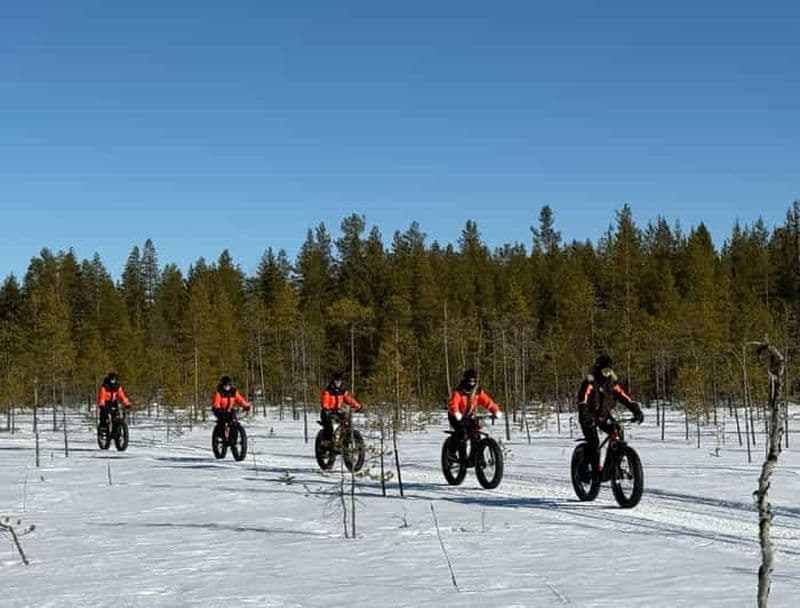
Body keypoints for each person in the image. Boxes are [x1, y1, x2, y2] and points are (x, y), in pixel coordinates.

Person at [577, 354, 643, 473]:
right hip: (588, 415)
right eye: (605, 371)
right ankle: (588, 469)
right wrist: (585, 416)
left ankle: (616, 462)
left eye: (609, 371)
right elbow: (583, 401)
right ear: (599, 369)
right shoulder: (590, 382)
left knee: (617, 431)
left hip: (603, 415)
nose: (607, 374)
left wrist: (636, 411)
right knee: (594, 442)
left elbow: (624, 397)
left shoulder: (612, 383)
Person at [447, 369, 502, 453]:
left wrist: (495, 411)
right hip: (455, 416)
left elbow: (488, 402)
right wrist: (456, 412)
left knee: (475, 434)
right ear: (465, 380)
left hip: (468, 416)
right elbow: (453, 404)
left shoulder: (478, 392)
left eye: (474, 381)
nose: (472, 383)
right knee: (462, 434)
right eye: (470, 381)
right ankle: (453, 453)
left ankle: (477, 456)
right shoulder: (458, 392)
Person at [319, 372, 363, 444]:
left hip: (338, 411)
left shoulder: (342, 391)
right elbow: (324, 400)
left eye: (339, 381)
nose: (338, 383)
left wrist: (358, 406)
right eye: (336, 381)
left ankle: (345, 439)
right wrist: (326, 408)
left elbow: (349, 399)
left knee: (346, 422)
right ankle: (327, 442)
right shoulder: (328, 391)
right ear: (333, 381)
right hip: (328, 412)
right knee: (330, 426)